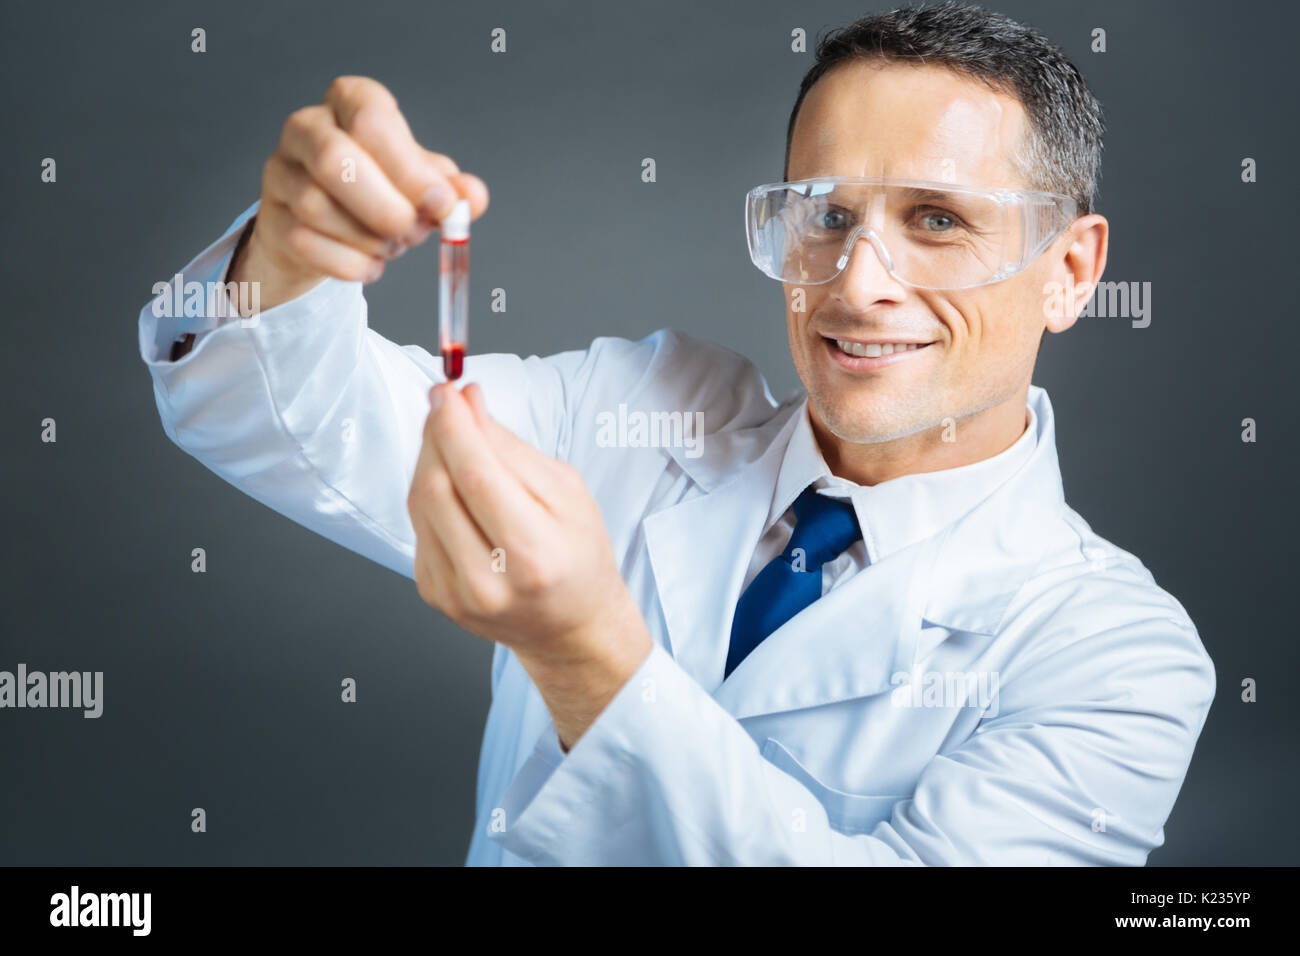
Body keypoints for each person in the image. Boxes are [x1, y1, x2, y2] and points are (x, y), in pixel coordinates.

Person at [137, 2, 1215, 865]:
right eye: (826, 214)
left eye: (936, 219)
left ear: (1070, 271)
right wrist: (289, 250)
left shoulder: (1116, 658)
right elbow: (276, 418)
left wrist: (588, 657)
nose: (858, 282)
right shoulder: (645, 413)